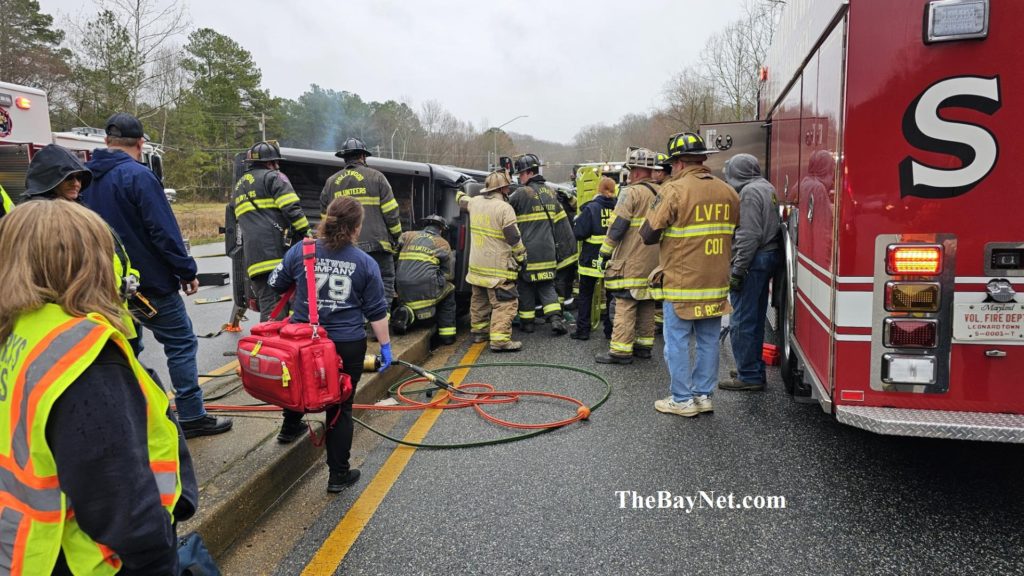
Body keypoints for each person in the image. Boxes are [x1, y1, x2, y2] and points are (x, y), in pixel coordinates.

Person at [0, 200, 198, 575]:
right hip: (97, 560)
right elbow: (117, 494)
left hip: (35, 550)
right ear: (87, 262)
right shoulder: (82, 352)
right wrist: (157, 556)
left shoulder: (16, 331)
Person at [83, 112, 232, 438]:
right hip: (148, 286)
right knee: (179, 343)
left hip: (104, 287)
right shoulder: (139, 176)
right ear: (140, 143)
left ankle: (133, 417)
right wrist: (186, 270)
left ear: (106, 142)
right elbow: (163, 231)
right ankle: (192, 415)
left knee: (126, 350)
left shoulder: (83, 180)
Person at [268, 195, 392, 490]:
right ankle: (338, 475)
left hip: (303, 340)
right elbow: (376, 312)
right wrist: (385, 347)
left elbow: (276, 283)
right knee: (339, 407)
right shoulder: (365, 263)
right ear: (356, 227)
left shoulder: (302, 250)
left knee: (298, 381)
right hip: (346, 344)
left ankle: (289, 428)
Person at [641, 132, 739, 417]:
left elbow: (647, 234)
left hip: (683, 283)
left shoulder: (673, 190)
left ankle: (682, 400)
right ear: (702, 160)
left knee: (678, 341)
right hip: (716, 282)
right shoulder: (727, 191)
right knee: (709, 340)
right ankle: (703, 396)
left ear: (679, 164)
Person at [24, 144, 142, 342]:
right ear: (49, 180)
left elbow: (112, 254)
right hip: (80, 320)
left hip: (109, 311)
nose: (76, 183)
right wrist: (117, 285)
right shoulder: (42, 221)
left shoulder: (78, 211)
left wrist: (129, 278)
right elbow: (67, 271)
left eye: (79, 177)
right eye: (68, 177)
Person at [719, 153, 781, 392]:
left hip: (753, 261)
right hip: (767, 258)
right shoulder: (766, 187)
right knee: (754, 317)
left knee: (742, 319)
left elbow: (748, 236)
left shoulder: (748, 193)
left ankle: (749, 375)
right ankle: (751, 367)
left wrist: (737, 270)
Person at [594, 148, 661, 364]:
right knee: (647, 302)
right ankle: (643, 346)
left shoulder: (630, 193)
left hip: (631, 260)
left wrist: (604, 252)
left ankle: (620, 351)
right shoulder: (662, 192)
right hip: (655, 261)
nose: (630, 175)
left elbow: (618, 225)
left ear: (638, 171)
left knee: (625, 302)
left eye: (631, 170)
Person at [230, 140, 310, 321]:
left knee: (270, 304)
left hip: (253, 259)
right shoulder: (274, 177)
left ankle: (269, 345)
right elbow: (292, 209)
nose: (278, 166)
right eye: (276, 162)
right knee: (284, 307)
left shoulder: (239, 186)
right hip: (276, 256)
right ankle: (272, 345)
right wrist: (307, 233)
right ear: (270, 162)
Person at [320, 137, 402, 304]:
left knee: (351, 286)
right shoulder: (377, 177)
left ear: (344, 158)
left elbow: (325, 218)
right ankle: (381, 321)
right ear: (363, 156)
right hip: (378, 246)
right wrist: (397, 236)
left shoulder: (331, 182)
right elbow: (391, 213)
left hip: (344, 247)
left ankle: (358, 322)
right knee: (384, 282)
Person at [457, 170, 527, 352]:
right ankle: (500, 340)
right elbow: (513, 237)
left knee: (479, 300)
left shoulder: (474, 202)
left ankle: (479, 333)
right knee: (505, 303)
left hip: (476, 267)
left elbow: (460, 199)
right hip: (497, 268)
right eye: (507, 186)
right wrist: (521, 256)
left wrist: (461, 186)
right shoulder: (504, 208)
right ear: (503, 188)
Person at [508, 153, 573, 336]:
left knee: (525, 285)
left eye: (520, 174)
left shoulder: (522, 193)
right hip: (549, 250)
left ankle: (528, 323)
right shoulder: (552, 192)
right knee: (546, 285)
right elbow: (562, 224)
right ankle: (555, 319)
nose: (519, 178)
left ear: (528, 173)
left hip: (529, 251)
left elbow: (503, 210)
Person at [391, 214, 457, 346]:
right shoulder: (442, 243)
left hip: (401, 286)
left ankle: (405, 315)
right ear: (441, 229)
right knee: (450, 289)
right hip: (425, 288)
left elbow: (393, 252)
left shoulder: (407, 235)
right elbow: (449, 274)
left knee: (412, 300)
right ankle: (447, 335)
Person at [571, 176, 616, 340]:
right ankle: (610, 331)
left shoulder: (591, 208)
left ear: (599, 189)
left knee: (586, 295)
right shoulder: (619, 206)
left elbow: (579, 233)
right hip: (611, 258)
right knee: (612, 297)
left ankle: (583, 330)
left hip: (591, 258)